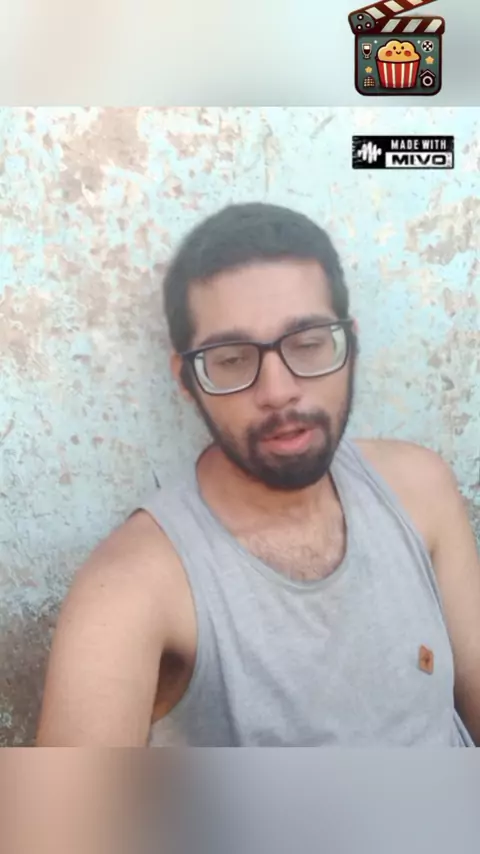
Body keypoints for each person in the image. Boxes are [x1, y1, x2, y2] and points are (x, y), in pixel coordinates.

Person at [37, 202, 480, 747]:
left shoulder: (421, 490)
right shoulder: (132, 589)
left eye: (309, 344)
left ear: (350, 345)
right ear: (187, 379)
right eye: (232, 359)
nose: (278, 391)